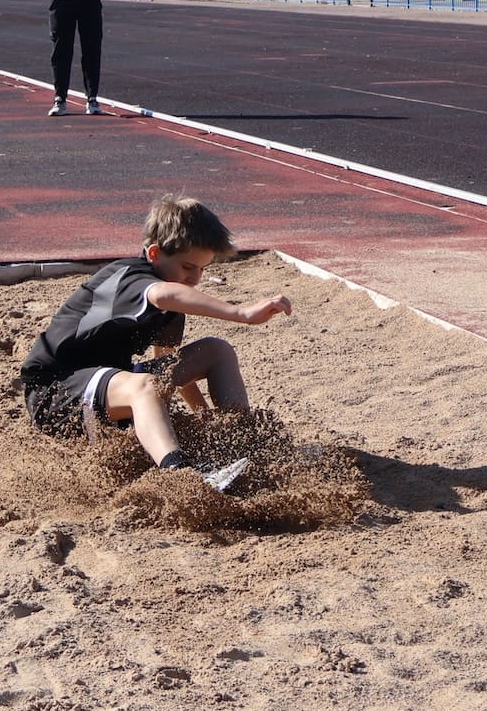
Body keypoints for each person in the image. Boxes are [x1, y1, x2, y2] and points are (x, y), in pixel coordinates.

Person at [19, 194, 292, 492]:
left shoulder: (174, 298)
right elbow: (162, 295)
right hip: (56, 394)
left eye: (203, 269)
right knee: (145, 385)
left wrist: (205, 423)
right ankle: (183, 478)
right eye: (188, 267)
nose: (196, 279)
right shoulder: (128, 278)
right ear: (154, 254)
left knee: (216, 350)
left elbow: (171, 363)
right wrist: (241, 313)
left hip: (109, 387)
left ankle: (239, 442)